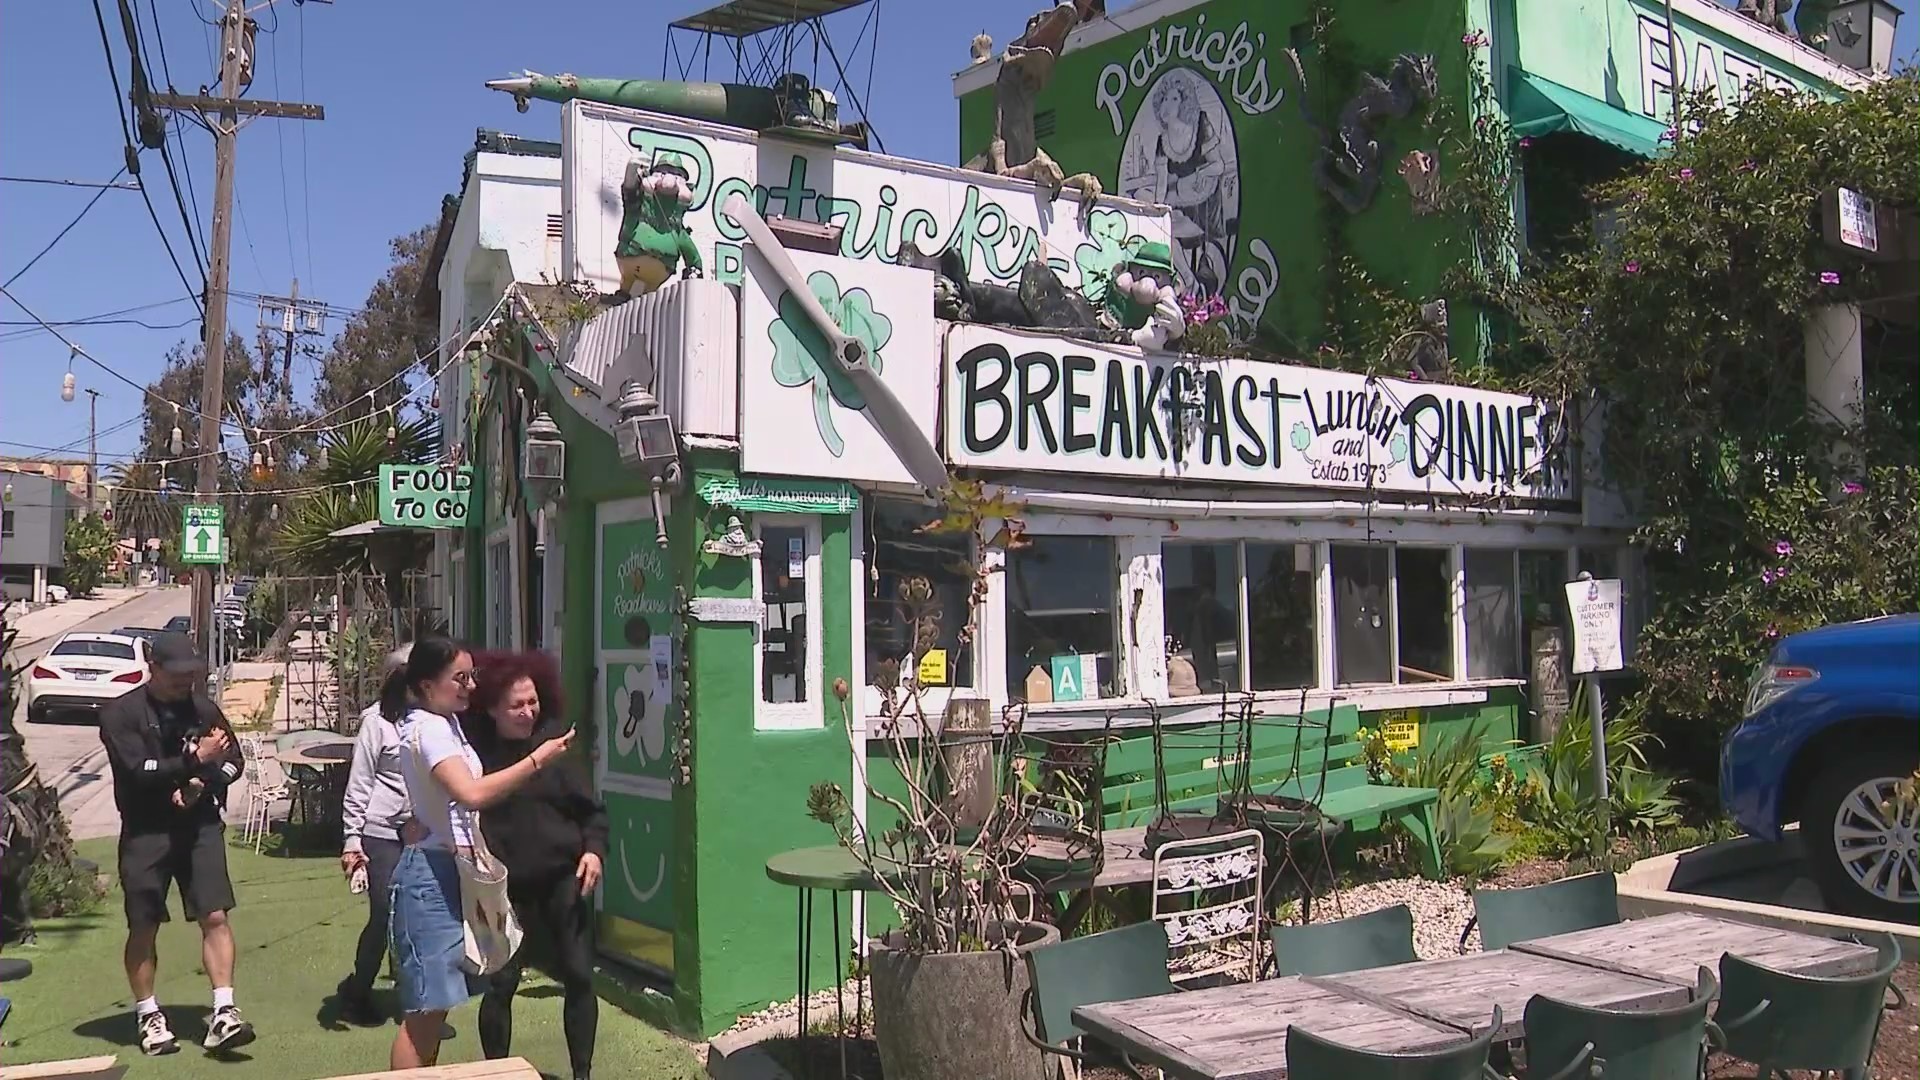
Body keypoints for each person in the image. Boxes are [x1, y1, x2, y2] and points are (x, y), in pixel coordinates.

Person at [385, 638, 573, 1071]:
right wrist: (538, 760)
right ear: (428, 684)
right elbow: (470, 793)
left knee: (437, 1008)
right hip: (429, 878)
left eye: (472, 677)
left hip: (448, 869)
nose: (470, 686)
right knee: (425, 1012)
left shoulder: (445, 722)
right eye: (460, 679)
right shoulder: (429, 728)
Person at [97, 632, 251, 1056]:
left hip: (199, 826)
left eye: (194, 674)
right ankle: (149, 1014)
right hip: (146, 831)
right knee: (144, 924)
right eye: (179, 674)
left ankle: (224, 1010)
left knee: (215, 914)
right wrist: (193, 760)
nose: (188, 682)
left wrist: (203, 781)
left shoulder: (202, 709)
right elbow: (136, 771)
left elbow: (234, 761)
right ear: (154, 666)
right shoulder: (120, 714)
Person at [466, 651, 604, 1080]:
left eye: (533, 701)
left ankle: (582, 1074)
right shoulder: (476, 755)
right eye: (517, 705)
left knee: (580, 977)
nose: (528, 711)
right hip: (505, 888)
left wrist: (593, 851)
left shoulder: (555, 746)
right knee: (502, 984)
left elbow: (592, 812)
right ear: (491, 708)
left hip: (563, 882)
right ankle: (497, 1071)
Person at [335, 644, 416, 1026]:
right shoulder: (376, 723)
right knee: (384, 910)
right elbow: (360, 781)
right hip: (380, 830)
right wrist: (353, 839)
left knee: (416, 913)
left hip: (420, 830)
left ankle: (414, 992)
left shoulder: (435, 720)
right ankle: (359, 990)